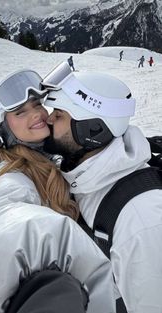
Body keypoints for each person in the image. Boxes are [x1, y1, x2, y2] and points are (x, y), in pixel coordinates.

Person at [0, 69, 115, 313]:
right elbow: (9, 215)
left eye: (37, 104)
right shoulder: (13, 175)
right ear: (2, 131)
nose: (36, 114)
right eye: (19, 112)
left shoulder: (44, 161)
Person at [42, 63, 162, 313]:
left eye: (59, 113)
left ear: (91, 130)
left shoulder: (141, 221)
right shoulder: (83, 173)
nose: (48, 119)